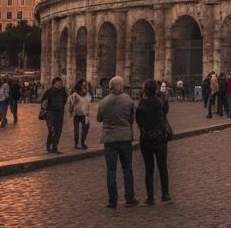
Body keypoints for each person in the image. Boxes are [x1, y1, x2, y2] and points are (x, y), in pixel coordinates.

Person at [97, 76, 137, 208]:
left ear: (110, 87)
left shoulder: (103, 102)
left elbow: (99, 118)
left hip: (109, 138)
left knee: (111, 170)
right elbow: (132, 118)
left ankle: (112, 201)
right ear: (122, 86)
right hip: (125, 137)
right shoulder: (128, 100)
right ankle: (129, 199)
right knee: (127, 168)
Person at [135, 79, 171, 205]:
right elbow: (165, 110)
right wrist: (166, 97)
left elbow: (139, 122)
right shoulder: (160, 102)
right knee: (162, 167)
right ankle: (165, 194)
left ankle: (150, 198)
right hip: (160, 139)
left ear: (144, 90)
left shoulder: (142, 105)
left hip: (146, 141)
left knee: (149, 169)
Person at [39, 76, 68, 153]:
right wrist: (43, 110)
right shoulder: (50, 91)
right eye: (58, 83)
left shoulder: (63, 92)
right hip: (50, 113)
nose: (60, 85)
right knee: (51, 130)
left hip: (60, 113)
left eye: (61, 83)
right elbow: (44, 100)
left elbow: (65, 100)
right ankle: (48, 146)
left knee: (58, 130)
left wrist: (61, 106)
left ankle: (55, 147)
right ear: (54, 84)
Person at [66, 79, 92, 149]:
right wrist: (74, 102)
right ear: (79, 86)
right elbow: (70, 109)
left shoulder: (88, 95)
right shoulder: (75, 95)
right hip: (76, 115)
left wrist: (88, 116)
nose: (85, 86)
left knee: (86, 128)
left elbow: (87, 105)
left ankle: (82, 142)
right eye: (83, 85)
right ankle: (76, 144)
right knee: (76, 130)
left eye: (86, 85)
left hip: (84, 115)